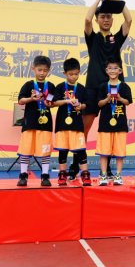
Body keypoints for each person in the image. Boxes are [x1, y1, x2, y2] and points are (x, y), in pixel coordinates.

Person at [69, 0, 132, 181]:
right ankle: (76, 166)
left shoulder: (117, 39)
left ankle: (108, 169)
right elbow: (87, 20)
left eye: (109, 17)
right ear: (98, 20)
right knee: (84, 129)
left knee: (111, 129)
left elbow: (129, 20)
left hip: (114, 90)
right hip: (93, 88)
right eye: (102, 17)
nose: (106, 19)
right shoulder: (93, 38)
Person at [16, 55, 56, 187]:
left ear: (49, 70)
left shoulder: (51, 86)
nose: (42, 73)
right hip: (30, 123)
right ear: (33, 69)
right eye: (39, 70)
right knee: (26, 150)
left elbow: (53, 103)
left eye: (45, 70)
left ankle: (45, 176)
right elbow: (21, 100)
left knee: (45, 151)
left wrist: (48, 103)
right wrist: (31, 99)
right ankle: (23, 176)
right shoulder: (28, 85)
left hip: (45, 124)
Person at [52, 58, 91, 186]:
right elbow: (54, 102)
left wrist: (80, 106)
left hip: (77, 124)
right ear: (65, 73)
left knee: (80, 150)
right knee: (63, 150)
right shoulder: (60, 87)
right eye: (71, 74)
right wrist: (67, 101)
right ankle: (62, 175)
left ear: (79, 72)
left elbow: (86, 103)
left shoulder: (81, 88)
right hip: (62, 124)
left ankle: (85, 175)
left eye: (76, 74)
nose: (74, 76)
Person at [95, 57, 133, 186]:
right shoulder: (102, 86)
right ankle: (103, 175)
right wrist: (107, 99)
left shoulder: (124, 86)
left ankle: (118, 175)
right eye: (110, 68)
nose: (112, 70)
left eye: (115, 68)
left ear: (120, 71)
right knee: (103, 152)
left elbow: (128, 102)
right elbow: (99, 104)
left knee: (119, 152)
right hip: (105, 124)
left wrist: (120, 98)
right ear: (106, 71)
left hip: (120, 124)